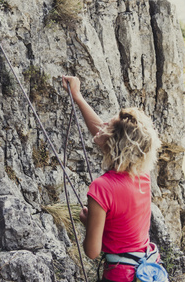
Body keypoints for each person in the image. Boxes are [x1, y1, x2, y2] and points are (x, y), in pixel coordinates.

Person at [62, 75, 166, 282]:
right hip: (149, 268)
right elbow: (100, 133)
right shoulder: (141, 175)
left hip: (121, 275)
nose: (103, 125)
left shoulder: (101, 188)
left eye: (108, 125)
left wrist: (88, 222)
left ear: (114, 142)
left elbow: (92, 251)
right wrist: (77, 97)